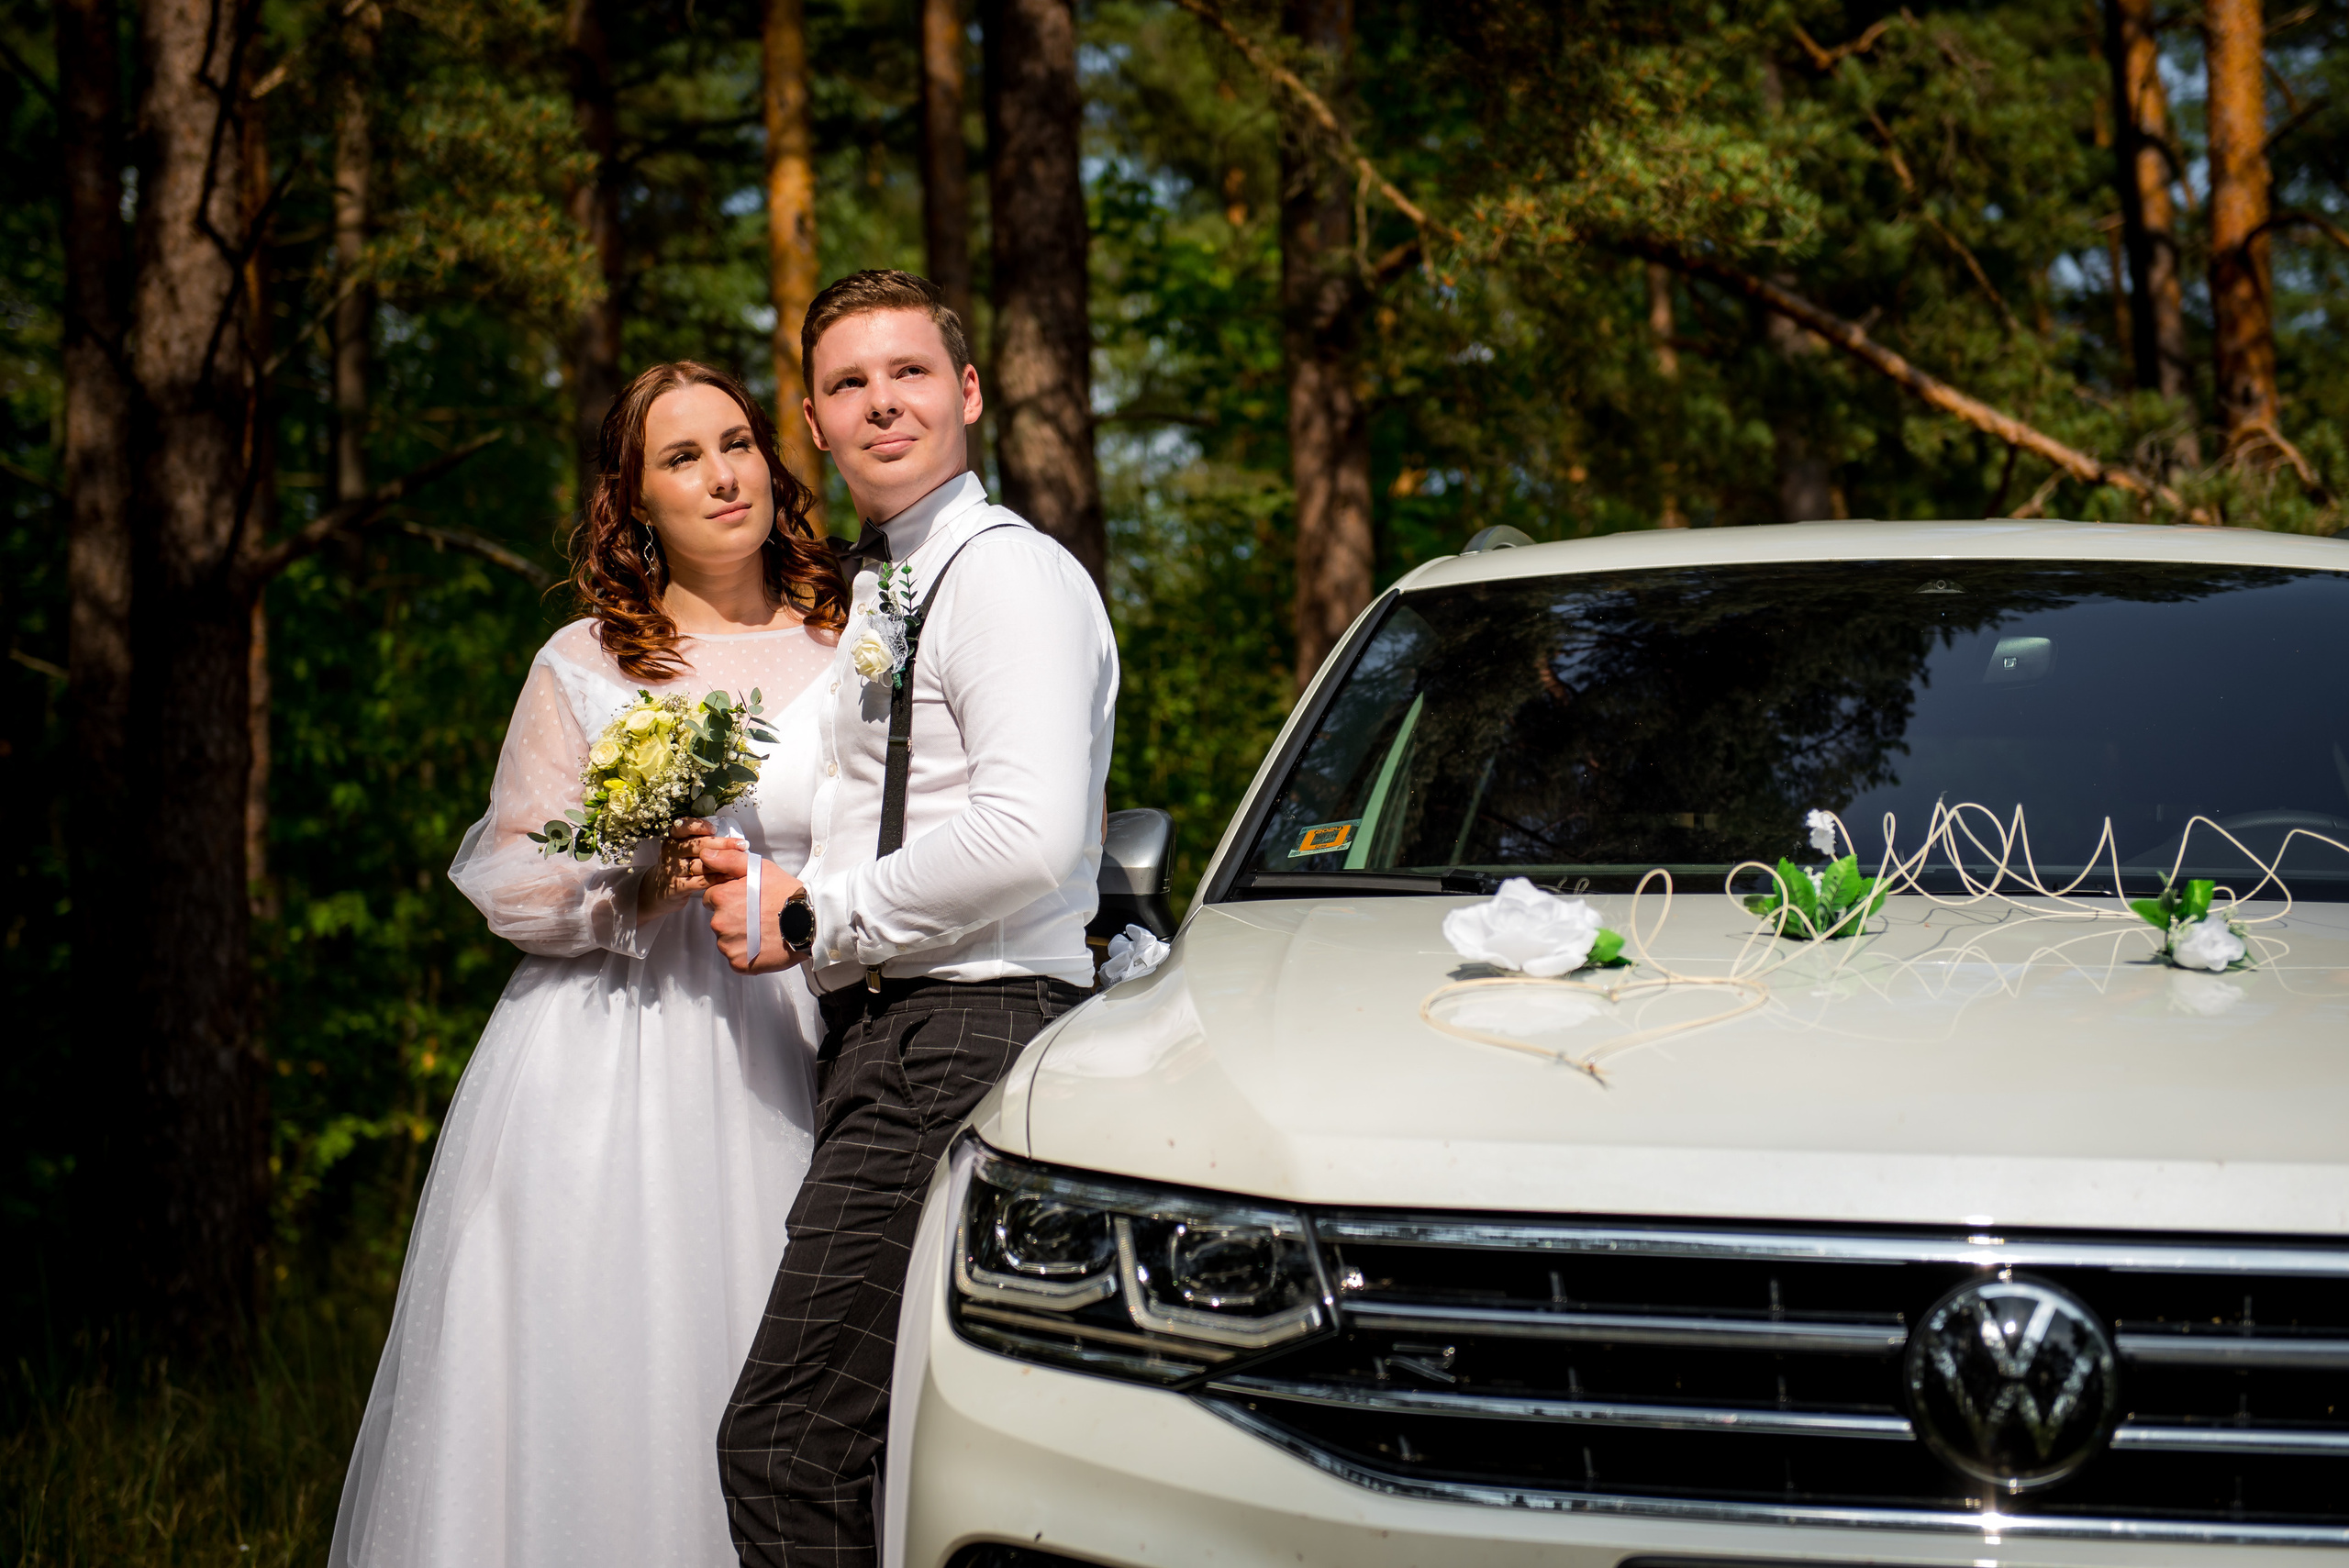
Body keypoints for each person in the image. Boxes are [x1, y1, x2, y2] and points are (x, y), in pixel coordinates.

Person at [330, 361, 849, 1568]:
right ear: (636, 501)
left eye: (736, 442)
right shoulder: (587, 659)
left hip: (810, 1033)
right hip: (614, 1056)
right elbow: (508, 874)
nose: (723, 475)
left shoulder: (854, 641)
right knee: (612, 1365)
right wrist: (630, 884)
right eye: (681, 459)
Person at [695, 270, 1118, 1568]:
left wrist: (819, 913)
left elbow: (1027, 832)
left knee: (787, 1440)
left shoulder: (1010, 581)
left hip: (966, 1030)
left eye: (911, 372)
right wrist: (638, 756)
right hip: (894, 1036)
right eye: (848, 383)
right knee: (874, 1449)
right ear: (813, 423)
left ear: (969, 392)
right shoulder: (888, 592)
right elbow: (806, 782)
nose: (883, 402)